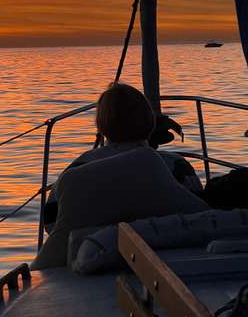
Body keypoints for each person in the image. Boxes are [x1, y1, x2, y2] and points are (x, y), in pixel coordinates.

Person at [30, 83, 210, 270]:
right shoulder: (177, 166)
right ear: (149, 120)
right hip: (174, 264)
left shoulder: (76, 170)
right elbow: (195, 213)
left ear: (101, 125)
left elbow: (51, 225)